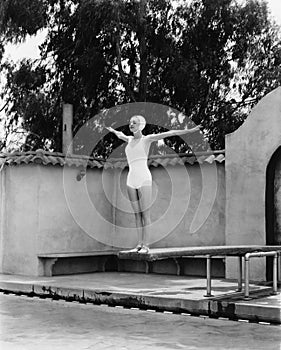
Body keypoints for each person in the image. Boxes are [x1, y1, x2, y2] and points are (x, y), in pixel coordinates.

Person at [106, 115, 201, 253]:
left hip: (144, 178)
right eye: (130, 122)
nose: (131, 124)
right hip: (131, 179)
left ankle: (146, 245)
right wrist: (111, 130)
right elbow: (119, 134)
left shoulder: (147, 139)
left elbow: (170, 133)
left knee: (145, 214)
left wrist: (191, 130)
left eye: (135, 122)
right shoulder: (129, 139)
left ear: (141, 125)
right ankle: (139, 244)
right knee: (137, 214)